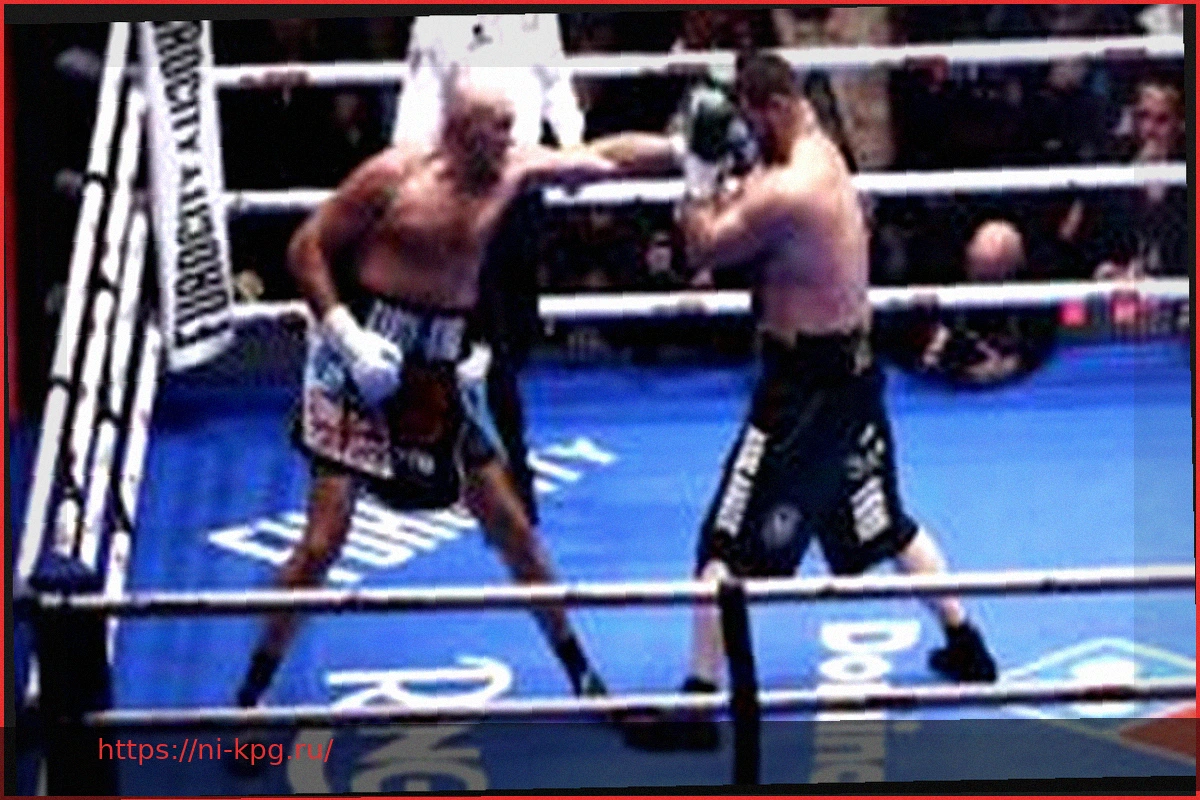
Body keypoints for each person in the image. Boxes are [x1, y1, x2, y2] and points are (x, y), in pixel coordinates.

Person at [233, 67, 672, 712]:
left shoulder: (512, 171)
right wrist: (346, 336)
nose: (511, 138)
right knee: (323, 542)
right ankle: (249, 694)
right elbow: (306, 247)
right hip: (358, 361)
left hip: (435, 374)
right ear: (460, 130)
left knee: (512, 526)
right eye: (498, 127)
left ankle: (582, 676)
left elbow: (604, 159)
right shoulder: (393, 177)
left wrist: (683, 149)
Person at [613, 53, 998, 751]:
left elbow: (704, 248)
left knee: (723, 539)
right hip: (850, 376)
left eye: (751, 117)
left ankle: (697, 704)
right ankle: (967, 644)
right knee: (886, 523)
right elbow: (753, 187)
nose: (747, 130)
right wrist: (715, 160)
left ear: (771, 108)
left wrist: (698, 180)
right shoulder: (818, 148)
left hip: (803, 393)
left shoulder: (792, 188)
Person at [391, 13, 585, 526]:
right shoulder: (436, 20)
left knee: (516, 334)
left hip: (523, 184)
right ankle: (513, 480)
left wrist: (572, 151)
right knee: (491, 341)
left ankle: (474, 443)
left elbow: (557, 84)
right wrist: (407, 173)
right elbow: (420, 101)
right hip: (466, 187)